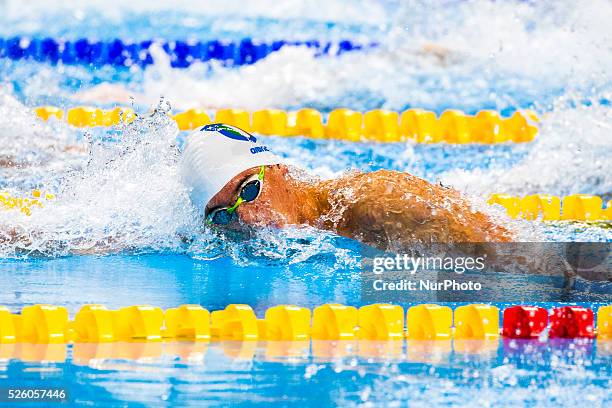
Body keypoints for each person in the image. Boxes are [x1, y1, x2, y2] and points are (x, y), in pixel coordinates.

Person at [182, 123, 514, 252]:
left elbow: (518, 259)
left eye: (250, 190)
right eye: (225, 215)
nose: (249, 218)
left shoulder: (375, 204)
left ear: (279, 169)